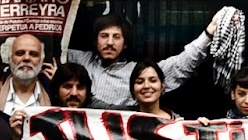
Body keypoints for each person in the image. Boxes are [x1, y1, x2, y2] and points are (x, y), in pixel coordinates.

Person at [65, 10, 225, 109]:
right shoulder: (80, 60)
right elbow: (54, 45)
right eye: (104, 36)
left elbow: (179, 65)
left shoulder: (137, 73)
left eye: (117, 37)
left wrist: (209, 32)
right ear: (95, 41)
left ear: (125, 44)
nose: (110, 42)